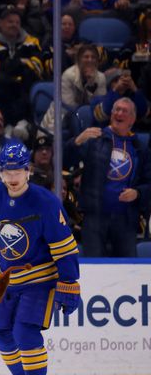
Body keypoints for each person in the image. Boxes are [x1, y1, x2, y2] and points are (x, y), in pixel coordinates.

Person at [0, 141, 81, 375]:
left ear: (28, 170)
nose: (13, 177)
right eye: (7, 171)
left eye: (18, 170)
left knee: (25, 332)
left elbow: (65, 249)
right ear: (1, 172)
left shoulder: (45, 202)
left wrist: (69, 284)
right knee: (0, 331)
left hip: (41, 278)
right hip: (8, 279)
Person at [66, 97, 151, 257]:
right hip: (95, 218)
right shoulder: (95, 138)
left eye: (124, 111)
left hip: (125, 220)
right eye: (116, 109)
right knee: (95, 268)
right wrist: (76, 141)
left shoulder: (140, 147)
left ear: (132, 119)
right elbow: (64, 161)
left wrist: (137, 193)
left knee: (128, 271)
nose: (119, 113)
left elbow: (148, 183)